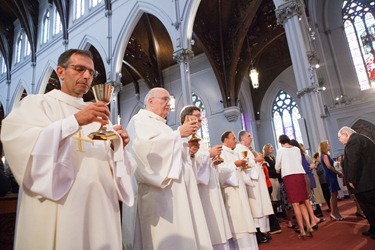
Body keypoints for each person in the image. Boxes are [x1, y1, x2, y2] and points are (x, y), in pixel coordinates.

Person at [0, 49, 135, 249]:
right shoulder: (37, 104)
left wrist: (118, 147)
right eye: (79, 69)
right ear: (60, 72)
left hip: (100, 207)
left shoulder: (97, 114)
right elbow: (20, 143)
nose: (87, 76)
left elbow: (117, 169)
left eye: (91, 72)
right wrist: (73, 122)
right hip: (60, 205)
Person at [126, 88, 212, 250]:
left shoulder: (161, 125)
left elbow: (173, 152)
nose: (168, 104)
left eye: (169, 100)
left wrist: (187, 149)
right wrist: (178, 134)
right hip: (162, 196)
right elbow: (144, 150)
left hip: (178, 193)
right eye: (164, 99)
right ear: (150, 101)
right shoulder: (140, 120)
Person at [180, 105, 232, 250]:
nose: (200, 119)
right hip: (199, 192)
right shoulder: (182, 138)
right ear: (187, 118)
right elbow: (187, 165)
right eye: (197, 116)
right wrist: (209, 154)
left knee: (215, 223)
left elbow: (198, 161)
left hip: (209, 188)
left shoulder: (199, 139)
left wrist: (212, 162)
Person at [217, 131, 258, 249]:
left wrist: (242, 167)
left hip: (240, 191)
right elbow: (221, 174)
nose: (235, 140)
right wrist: (235, 165)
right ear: (226, 140)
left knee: (245, 222)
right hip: (231, 193)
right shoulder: (222, 153)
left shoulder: (234, 153)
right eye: (233, 138)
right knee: (238, 224)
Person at [235, 130, 275, 243]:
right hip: (251, 184)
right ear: (243, 138)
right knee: (255, 208)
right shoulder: (239, 149)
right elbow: (244, 164)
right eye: (249, 136)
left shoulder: (247, 149)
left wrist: (256, 158)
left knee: (260, 207)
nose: (251, 138)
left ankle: (261, 232)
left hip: (257, 183)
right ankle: (257, 233)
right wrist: (255, 160)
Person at [338, 126, 375, 239]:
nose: (340, 140)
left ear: (345, 134)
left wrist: (351, 179)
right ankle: (373, 228)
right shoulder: (361, 138)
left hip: (364, 182)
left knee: (369, 206)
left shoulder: (353, 141)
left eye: (340, 137)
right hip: (368, 180)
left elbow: (353, 162)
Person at [275, 135, 313, 239]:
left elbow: (277, 167)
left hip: (289, 176)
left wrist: (280, 169)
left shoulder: (281, 151)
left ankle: (301, 230)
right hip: (300, 175)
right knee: (302, 201)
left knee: (295, 204)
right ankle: (309, 226)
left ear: (280, 142)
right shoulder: (296, 149)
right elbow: (299, 161)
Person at [318, 140, 344, 221]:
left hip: (331, 175)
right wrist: (338, 172)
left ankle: (335, 212)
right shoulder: (324, 155)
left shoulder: (325, 155)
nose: (329, 145)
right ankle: (333, 213)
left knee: (334, 194)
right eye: (328, 144)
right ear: (324, 146)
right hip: (330, 176)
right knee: (333, 195)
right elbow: (329, 166)